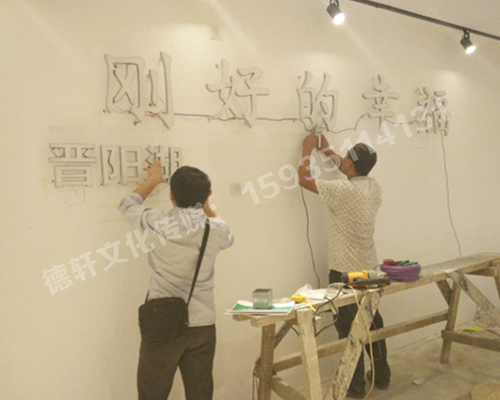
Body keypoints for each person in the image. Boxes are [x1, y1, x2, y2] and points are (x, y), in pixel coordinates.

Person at [118, 161, 234, 400]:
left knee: (152, 394)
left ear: (171, 195)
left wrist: (152, 180)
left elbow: (127, 204)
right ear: (207, 196)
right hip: (202, 324)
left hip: (163, 323)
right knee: (200, 394)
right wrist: (205, 206)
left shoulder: (157, 221)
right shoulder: (215, 230)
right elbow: (228, 236)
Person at [298, 133, 390, 398]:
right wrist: (326, 150)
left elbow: (304, 179)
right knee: (373, 324)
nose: (343, 160)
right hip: (369, 270)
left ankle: (356, 386)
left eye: (346, 158)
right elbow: (347, 166)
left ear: (350, 164)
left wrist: (307, 150)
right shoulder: (373, 187)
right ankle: (382, 376)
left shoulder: (343, 190)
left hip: (345, 273)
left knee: (350, 331)